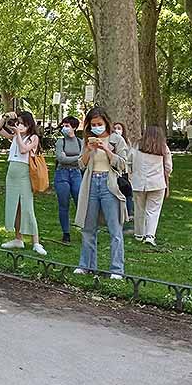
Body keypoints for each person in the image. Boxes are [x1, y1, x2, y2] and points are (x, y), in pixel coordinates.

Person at [74, 106, 128, 280]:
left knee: (115, 229)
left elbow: (124, 164)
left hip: (109, 184)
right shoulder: (88, 140)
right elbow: (81, 164)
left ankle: (117, 269)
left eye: (99, 123)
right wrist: (89, 150)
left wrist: (106, 149)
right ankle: (86, 265)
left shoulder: (116, 139)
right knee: (88, 228)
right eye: (93, 124)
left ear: (106, 122)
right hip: (91, 183)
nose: (97, 127)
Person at [0, 110, 46, 255]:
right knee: (14, 206)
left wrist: (17, 134)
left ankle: (36, 241)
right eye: (18, 123)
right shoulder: (15, 137)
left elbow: (24, 150)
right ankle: (18, 238)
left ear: (29, 125)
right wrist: (6, 117)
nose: (19, 126)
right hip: (12, 174)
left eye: (22, 124)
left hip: (24, 174)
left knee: (27, 207)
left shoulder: (33, 138)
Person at [129, 125, 172, 246]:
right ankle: (150, 235)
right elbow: (168, 167)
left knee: (139, 209)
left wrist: (132, 174)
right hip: (157, 183)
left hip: (138, 182)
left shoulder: (137, 145)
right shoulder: (163, 147)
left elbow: (129, 161)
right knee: (153, 210)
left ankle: (139, 234)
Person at [54, 116, 83, 244]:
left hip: (76, 174)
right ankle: (66, 232)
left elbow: (84, 160)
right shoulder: (61, 142)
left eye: (67, 126)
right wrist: (77, 158)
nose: (65, 128)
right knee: (63, 203)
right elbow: (61, 159)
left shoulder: (80, 142)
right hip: (62, 173)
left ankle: (84, 230)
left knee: (80, 202)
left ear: (74, 127)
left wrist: (72, 158)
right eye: (63, 126)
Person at [112, 122, 135, 220]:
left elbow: (129, 156)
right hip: (114, 171)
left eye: (119, 128)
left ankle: (129, 212)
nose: (117, 130)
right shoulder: (111, 141)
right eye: (115, 128)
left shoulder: (126, 142)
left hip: (125, 171)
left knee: (127, 192)